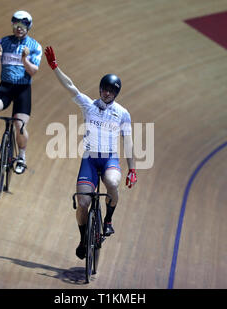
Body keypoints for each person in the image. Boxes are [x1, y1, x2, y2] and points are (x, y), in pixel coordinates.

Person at [44, 46, 137, 260]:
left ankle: (108, 221)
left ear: (116, 94)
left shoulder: (122, 114)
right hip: (90, 160)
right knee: (83, 203)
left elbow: (128, 141)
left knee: (112, 183)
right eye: (104, 89)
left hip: (109, 159)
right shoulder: (88, 105)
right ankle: (83, 237)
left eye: (111, 91)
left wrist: (133, 169)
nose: (107, 93)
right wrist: (55, 67)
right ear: (100, 89)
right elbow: (70, 86)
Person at [0, 10, 42, 174]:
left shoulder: (34, 46)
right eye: (16, 25)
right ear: (13, 25)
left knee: (20, 125)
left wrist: (24, 59)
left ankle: (22, 157)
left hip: (23, 90)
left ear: (28, 27)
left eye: (23, 26)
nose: (19, 28)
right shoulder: (3, 42)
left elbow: (33, 71)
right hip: (5, 87)